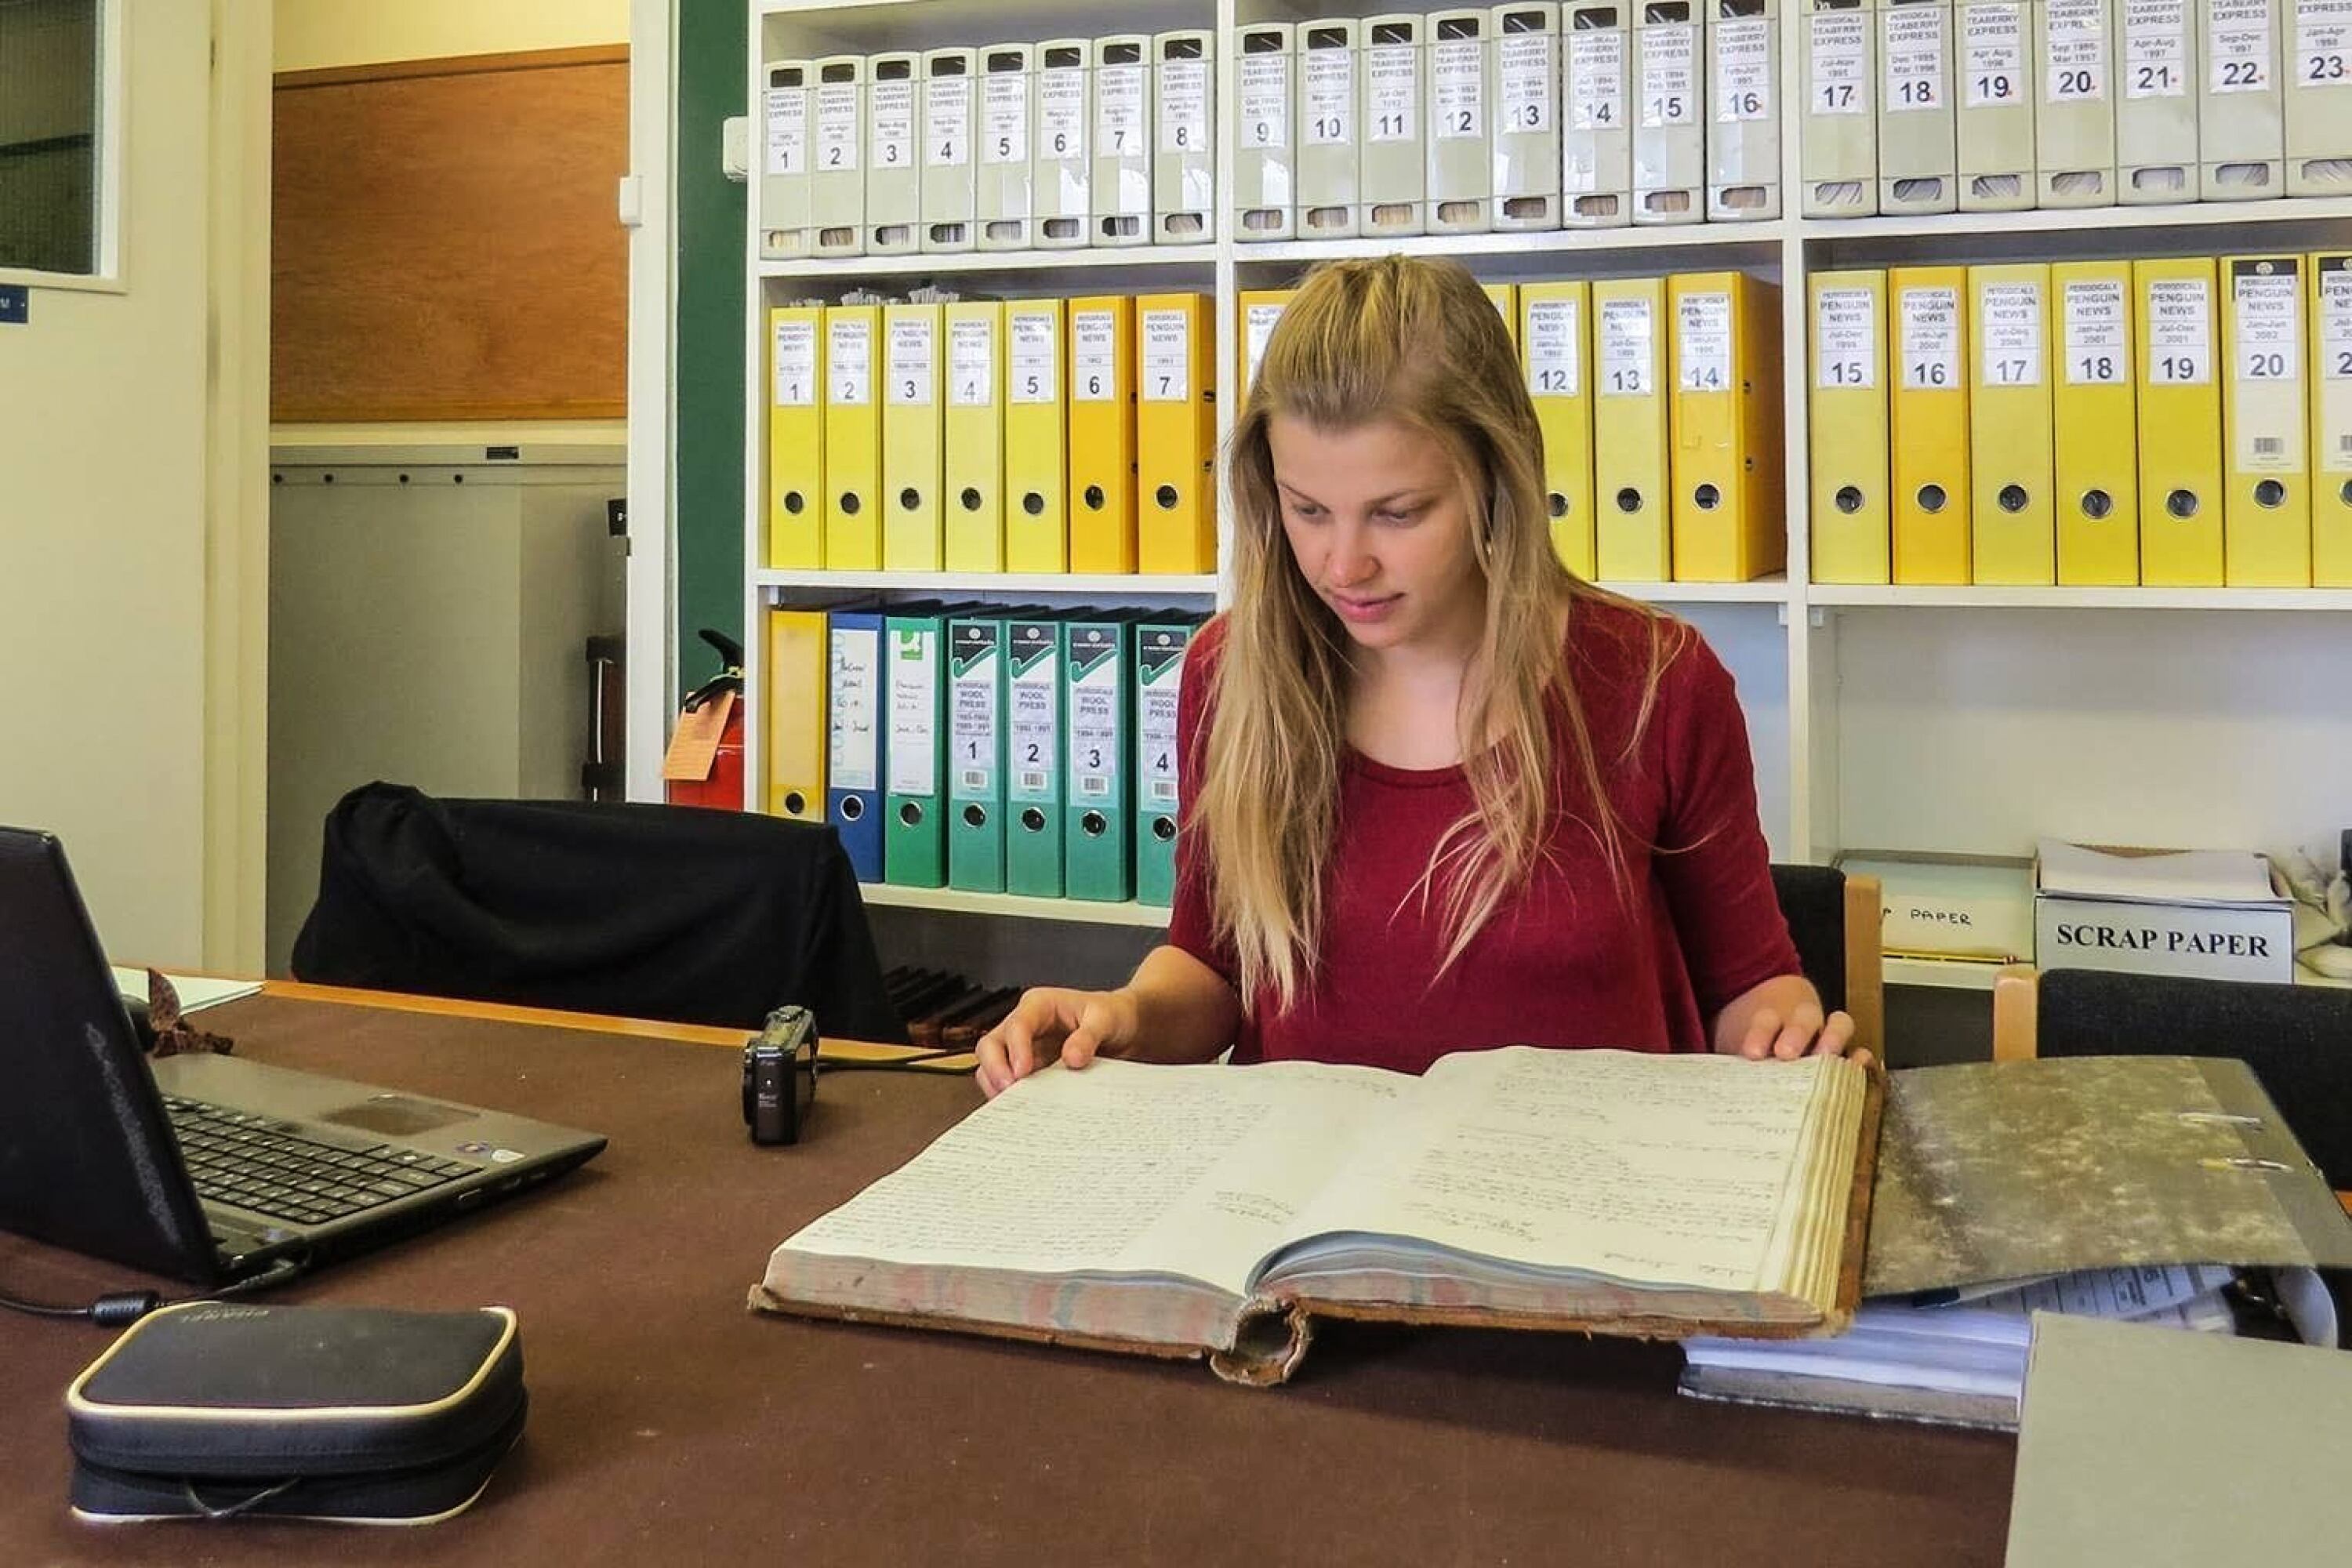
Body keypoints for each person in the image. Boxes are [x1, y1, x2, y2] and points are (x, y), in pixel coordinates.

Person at [976, 256, 1858, 1098]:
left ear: (1495, 478)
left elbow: (1751, 984)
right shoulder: (1235, 674)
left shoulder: (1656, 682)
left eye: (1398, 513)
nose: (1343, 563)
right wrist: (1124, 1017)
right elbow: (1213, 967)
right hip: (1307, 1216)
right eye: (1307, 509)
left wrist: (1782, 1034)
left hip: (1583, 1213)